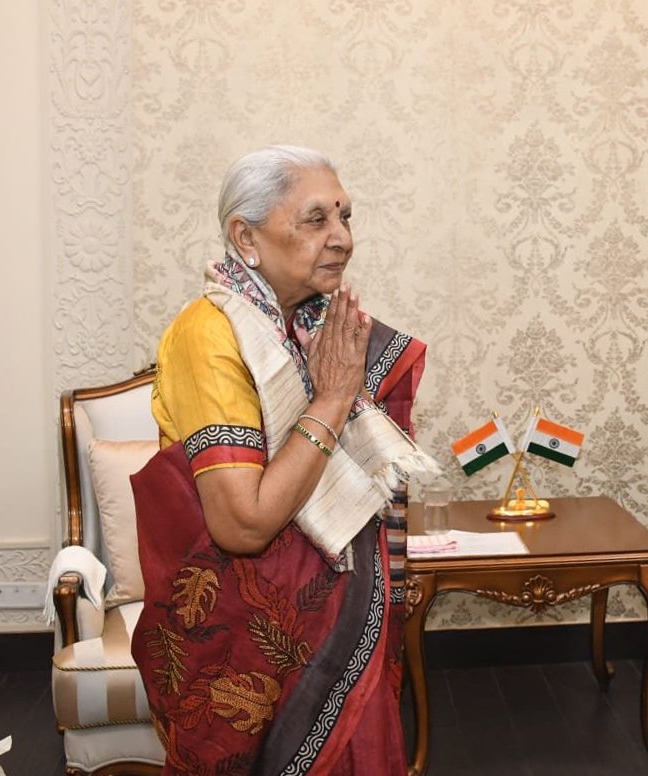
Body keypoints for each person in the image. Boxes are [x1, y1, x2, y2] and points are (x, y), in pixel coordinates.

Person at [129, 145, 437, 775]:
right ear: (246, 235)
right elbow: (243, 524)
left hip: (337, 624)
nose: (342, 238)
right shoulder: (208, 333)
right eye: (315, 219)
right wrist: (331, 398)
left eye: (346, 217)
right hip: (244, 647)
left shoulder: (315, 329)